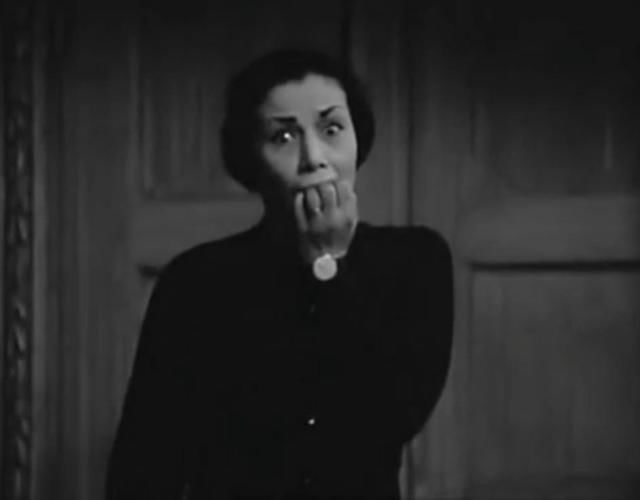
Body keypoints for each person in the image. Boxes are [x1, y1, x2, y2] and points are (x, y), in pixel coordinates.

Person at [106, 48, 453, 499]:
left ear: (358, 138)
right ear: (250, 160)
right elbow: (145, 465)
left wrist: (328, 263)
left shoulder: (415, 261)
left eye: (332, 129)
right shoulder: (196, 283)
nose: (314, 158)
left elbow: (392, 417)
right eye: (284, 137)